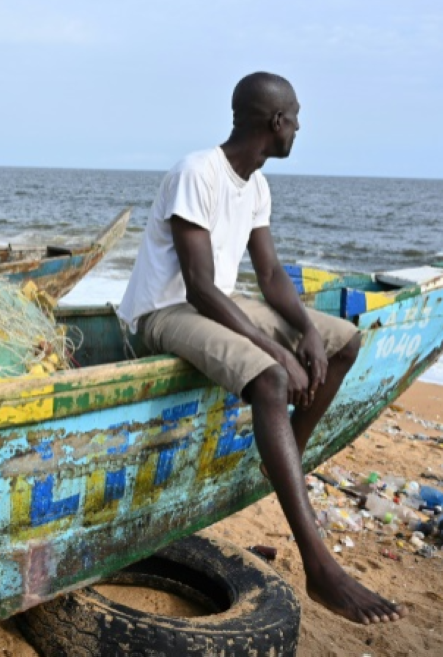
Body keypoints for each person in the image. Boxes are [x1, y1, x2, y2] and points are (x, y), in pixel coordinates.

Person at [118, 71, 407, 625]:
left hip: (214, 302)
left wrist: (307, 331)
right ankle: (319, 566)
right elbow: (199, 287)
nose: (299, 126)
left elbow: (271, 274)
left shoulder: (256, 185)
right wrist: (273, 354)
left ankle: (283, 463)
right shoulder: (196, 172)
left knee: (346, 343)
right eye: (295, 116)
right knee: (272, 380)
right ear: (277, 122)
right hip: (162, 312)